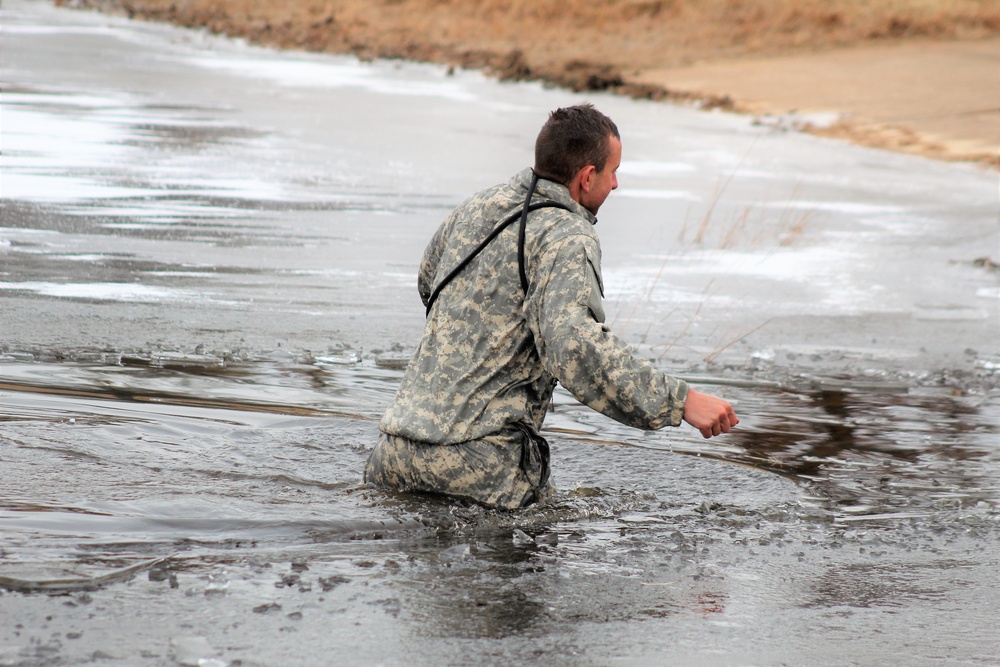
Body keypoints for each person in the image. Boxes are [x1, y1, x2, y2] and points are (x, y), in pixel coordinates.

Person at [365, 104, 738, 509]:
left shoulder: (476, 207)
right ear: (587, 177)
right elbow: (574, 347)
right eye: (613, 171)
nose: (616, 184)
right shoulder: (568, 236)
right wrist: (680, 401)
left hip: (393, 454)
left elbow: (429, 282)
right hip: (478, 466)